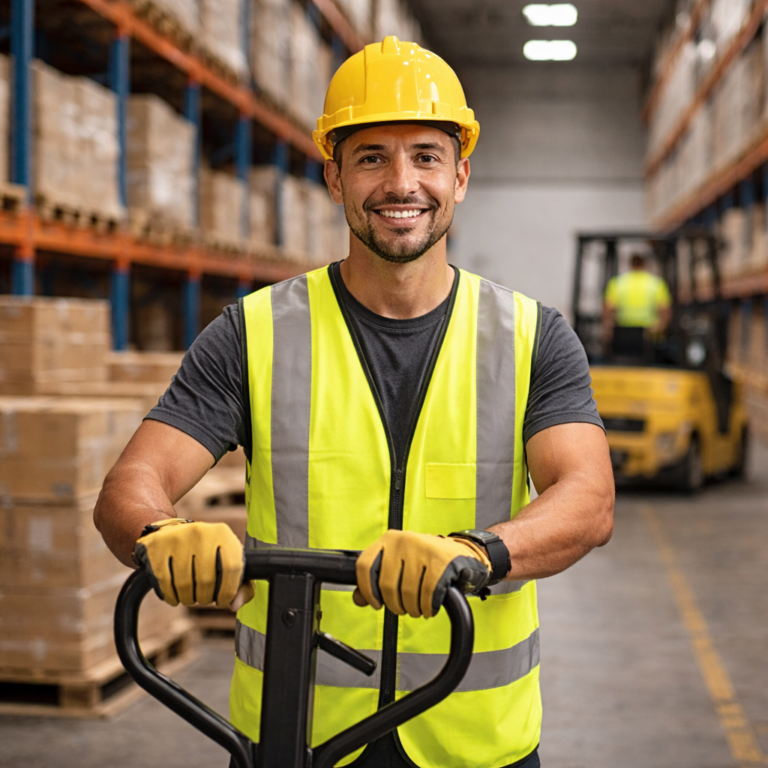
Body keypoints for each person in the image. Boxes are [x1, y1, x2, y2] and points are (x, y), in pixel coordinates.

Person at [95, 36, 614, 768]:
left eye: (426, 156)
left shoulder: (532, 337)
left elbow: (588, 497)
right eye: (371, 156)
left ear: (460, 175)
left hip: (473, 743)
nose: (401, 182)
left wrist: (475, 554)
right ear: (334, 178)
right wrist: (162, 532)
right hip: (297, 734)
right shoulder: (255, 333)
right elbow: (129, 485)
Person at [601, 253, 672, 345]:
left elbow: (606, 312)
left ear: (631, 264)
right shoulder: (657, 284)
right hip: (649, 337)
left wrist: (609, 331)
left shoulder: (617, 283)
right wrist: (658, 329)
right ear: (645, 265)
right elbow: (665, 314)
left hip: (623, 335)